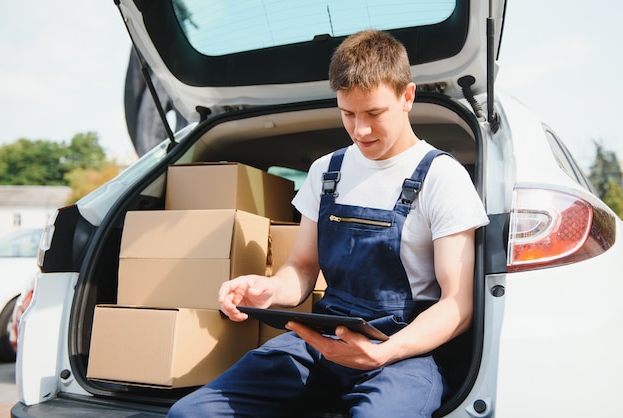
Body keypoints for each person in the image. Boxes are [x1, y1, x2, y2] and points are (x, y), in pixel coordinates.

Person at [168, 29, 489, 418]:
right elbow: (302, 268)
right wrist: (267, 289)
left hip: (403, 350)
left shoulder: (442, 177)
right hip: (320, 339)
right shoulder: (327, 170)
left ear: (407, 97)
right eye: (348, 114)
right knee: (192, 414)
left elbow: (458, 303)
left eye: (373, 113)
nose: (360, 130)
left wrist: (383, 352)